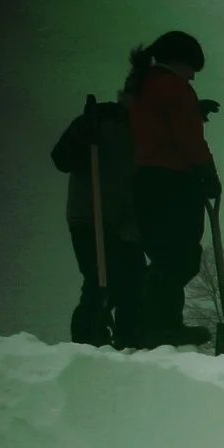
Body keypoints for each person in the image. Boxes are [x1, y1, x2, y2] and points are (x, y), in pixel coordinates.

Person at [124, 30, 220, 348]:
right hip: (173, 181)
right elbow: (187, 138)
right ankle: (160, 326)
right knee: (180, 256)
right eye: (192, 68)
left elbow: (162, 126)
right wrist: (208, 172)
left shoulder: (143, 86)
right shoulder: (174, 89)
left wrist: (195, 113)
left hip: (147, 181)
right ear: (179, 62)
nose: (193, 76)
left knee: (166, 255)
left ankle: (148, 324)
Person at [48, 92, 143, 346]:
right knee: (101, 277)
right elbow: (62, 158)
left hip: (125, 221)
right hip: (90, 216)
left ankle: (130, 341)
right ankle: (87, 340)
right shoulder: (100, 119)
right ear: (127, 95)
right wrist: (82, 134)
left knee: (135, 280)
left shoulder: (146, 129)